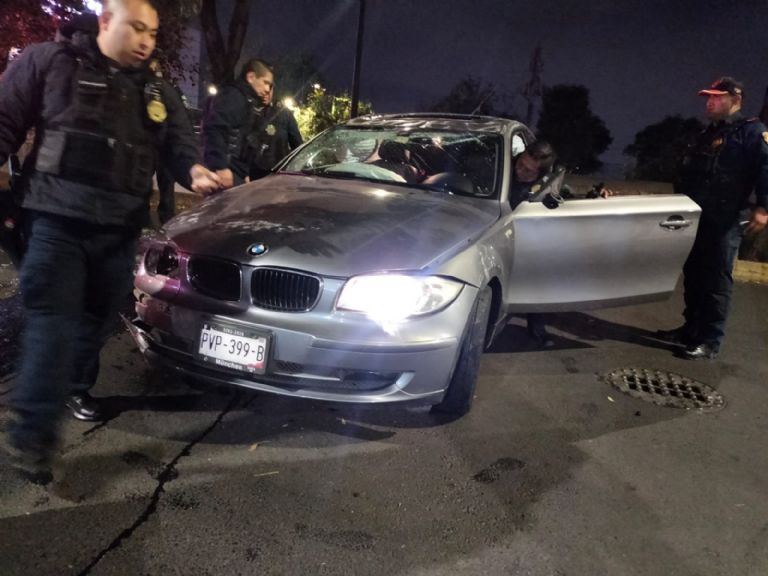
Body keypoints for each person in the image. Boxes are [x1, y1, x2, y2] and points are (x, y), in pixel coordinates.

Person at [0, 0, 221, 484]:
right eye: (137, 28)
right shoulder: (48, 62)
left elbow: (181, 149)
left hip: (120, 231)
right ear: (106, 22)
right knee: (53, 322)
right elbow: (4, 122)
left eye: (153, 33)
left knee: (97, 324)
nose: (146, 40)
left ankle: (70, 385)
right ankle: (32, 436)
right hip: (56, 224)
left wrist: (197, 172)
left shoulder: (157, 91)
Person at [657, 77, 768, 359]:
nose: (710, 102)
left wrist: (763, 208)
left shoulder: (753, 132)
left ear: (736, 100)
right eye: (709, 97)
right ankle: (690, 329)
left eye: (717, 97)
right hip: (698, 216)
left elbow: (766, 169)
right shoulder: (708, 133)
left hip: (727, 219)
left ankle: (709, 340)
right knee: (694, 275)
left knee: (716, 281)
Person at [509, 139, 612, 347]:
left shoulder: (549, 184)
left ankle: (536, 327)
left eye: (529, 172)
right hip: (497, 231)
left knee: (539, 277)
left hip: (527, 240)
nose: (521, 172)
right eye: (520, 164)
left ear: (541, 174)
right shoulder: (503, 169)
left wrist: (596, 197)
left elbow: (567, 198)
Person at [202, 58, 303, 188]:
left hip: (246, 174)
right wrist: (220, 166)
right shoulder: (233, 96)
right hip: (227, 174)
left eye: (270, 86)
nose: (267, 89)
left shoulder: (252, 103)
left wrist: (243, 173)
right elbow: (215, 130)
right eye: (265, 82)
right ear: (251, 77)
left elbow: (245, 140)